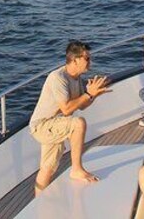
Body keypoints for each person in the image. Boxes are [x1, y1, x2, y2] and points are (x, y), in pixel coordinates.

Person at [29, 40, 111, 196]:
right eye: (87, 58)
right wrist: (88, 94)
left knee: (48, 168)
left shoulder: (76, 78)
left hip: (56, 124)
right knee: (78, 123)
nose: (90, 62)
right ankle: (76, 169)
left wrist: (92, 96)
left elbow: (81, 105)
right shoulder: (58, 78)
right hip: (43, 125)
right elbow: (66, 109)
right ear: (75, 60)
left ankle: (39, 203)